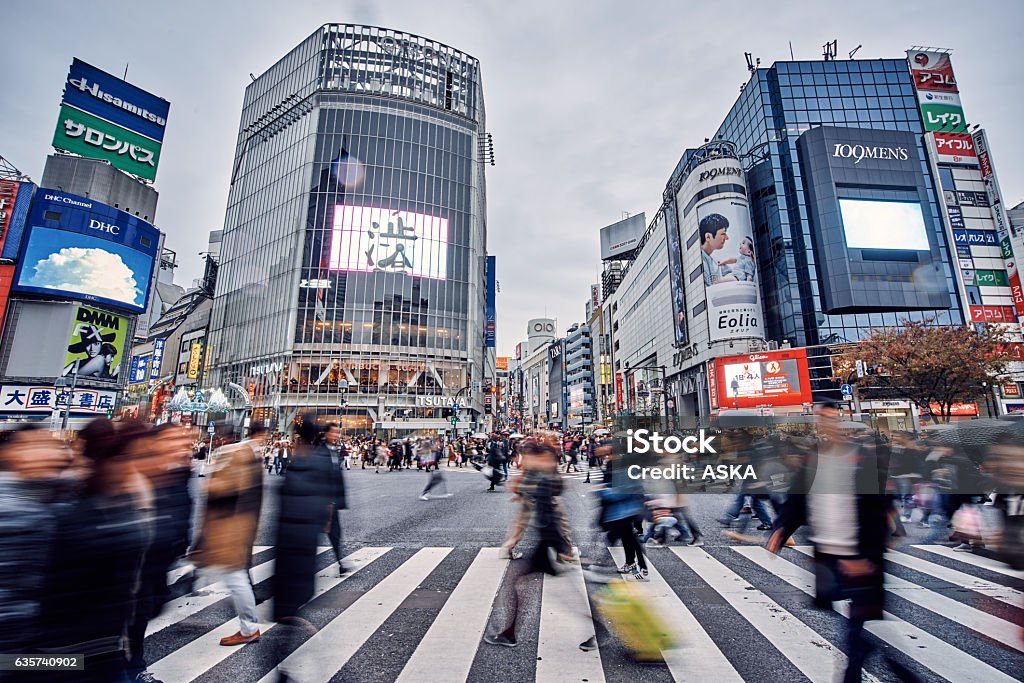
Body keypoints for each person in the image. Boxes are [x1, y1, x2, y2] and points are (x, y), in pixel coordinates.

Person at [767, 403, 892, 683]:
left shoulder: (861, 459)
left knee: (855, 621)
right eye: (820, 420)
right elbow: (797, 498)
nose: (825, 425)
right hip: (826, 552)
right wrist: (782, 529)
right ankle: (873, 655)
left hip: (858, 554)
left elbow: (876, 511)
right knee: (838, 611)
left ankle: (853, 675)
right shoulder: (813, 459)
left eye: (830, 419)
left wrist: (866, 555)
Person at [36, 418, 154, 683]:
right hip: (60, 647)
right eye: (124, 458)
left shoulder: (121, 502)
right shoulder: (70, 505)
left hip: (102, 643)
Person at [125, 424, 195, 682]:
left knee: (137, 624)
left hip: (152, 573)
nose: (181, 445)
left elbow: (180, 517)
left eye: (184, 440)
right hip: (125, 576)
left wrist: (182, 544)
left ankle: (133, 669)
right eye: (173, 439)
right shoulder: (133, 475)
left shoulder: (178, 475)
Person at [0, 426, 72, 660]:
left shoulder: (56, 498)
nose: (49, 454)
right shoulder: (9, 504)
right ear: (11, 453)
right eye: (35, 446)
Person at [191, 424, 264, 647]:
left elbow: (227, 489)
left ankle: (249, 627)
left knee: (236, 577)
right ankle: (248, 626)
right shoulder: (246, 454)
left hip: (230, 529)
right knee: (234, 575)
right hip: (236, 527)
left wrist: (212, 485)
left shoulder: (236, 455)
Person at [484, 446, 564, 648]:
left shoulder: (544, 478)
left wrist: (521, 489)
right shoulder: (543, 477)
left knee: (518, 583)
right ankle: (597, 628)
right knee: (568, 592)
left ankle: (509, 634)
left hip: (548, 539)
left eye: (528, 458)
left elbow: (545, 500)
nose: (523, 461)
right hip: (548, 540)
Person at [322, 423, 349, 575]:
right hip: (322, 502)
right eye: (333, 432)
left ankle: (340, 562)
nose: (336, 435)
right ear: (326, 434)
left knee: (336, 533)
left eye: (338, 433)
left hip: (332, 502)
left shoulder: (335, 451)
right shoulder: (321, 452)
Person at [699, 213, 737, 286]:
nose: (727, 238)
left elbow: (735, 275)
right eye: (723, 234)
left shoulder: (716, 261)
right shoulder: (699, 261)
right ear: (708, 237)